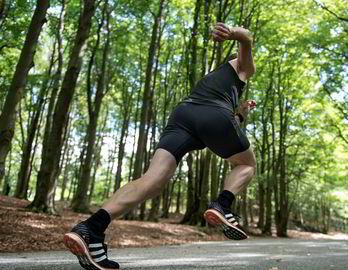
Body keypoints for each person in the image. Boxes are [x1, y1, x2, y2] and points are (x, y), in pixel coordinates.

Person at [63, 22, 256, 270]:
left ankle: (91, 228)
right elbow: (247, 39)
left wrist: (239, 114)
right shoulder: (241, 67)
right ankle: (223, 204)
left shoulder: (214, 79)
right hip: (212, 115)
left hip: (183, 116)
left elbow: (216, 124)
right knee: (247, 165)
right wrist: (235, 33)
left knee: (151, 180)